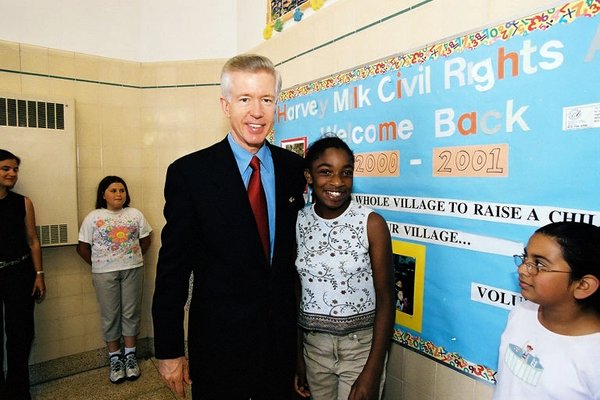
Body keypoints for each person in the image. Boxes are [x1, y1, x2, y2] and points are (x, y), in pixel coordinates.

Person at [151, 54, 306, 399]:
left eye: (266, 99)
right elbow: (172, 271)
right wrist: (169, 349)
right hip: (219, 349)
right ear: (225, 104)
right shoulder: (190, 174)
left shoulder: (294, 170)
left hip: (280, 349)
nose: (257, 111)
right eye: (245, 99)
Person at [294, 137, 395, 400]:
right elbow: (296, 292)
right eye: (326, 172)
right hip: (314, 348)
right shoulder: (299, 222)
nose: (337, 182)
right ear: (309, 176)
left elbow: (386, 298)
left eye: (346, 173)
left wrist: (371, 372)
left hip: (360, 350)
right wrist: (299, 359)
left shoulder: (370, 223)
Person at [493, 222, 600, 400]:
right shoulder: (522, 311)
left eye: (540, 264)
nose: (521, 269)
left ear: (583, 285)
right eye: (525, 258)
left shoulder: (593, 357)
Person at [76, 176, 152, 384]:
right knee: (110, 315)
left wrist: (131, 257)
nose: (119, 194)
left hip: (132, 269)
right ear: (103, 194)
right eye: (113, 190)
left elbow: (146, 239)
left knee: (131, 312)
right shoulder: (93, 217)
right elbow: (82, 247)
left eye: (122, 190)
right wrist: (101, 265)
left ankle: (130, 357)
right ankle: (115, 359)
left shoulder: (134, 214)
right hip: (104, 273)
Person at [0, 149, 45, 400]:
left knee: (20, 333)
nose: (12, 173)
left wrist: (39, 274)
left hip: (19, 272)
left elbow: (33, 240)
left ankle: (17, 390)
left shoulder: (22, 203)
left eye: (15, 169)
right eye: (6, 168)